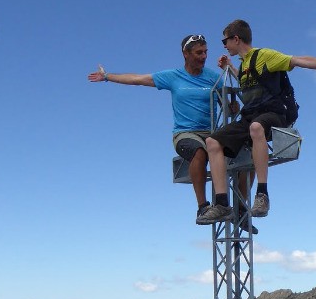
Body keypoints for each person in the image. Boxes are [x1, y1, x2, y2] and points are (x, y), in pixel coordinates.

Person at [198, 18, 316, 224]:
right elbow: (246, 80)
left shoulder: (265, 55)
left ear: (236, 39)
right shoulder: (245, 63)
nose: (224, 45)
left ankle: (262, 195)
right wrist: (230, 66)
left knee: (256, 128)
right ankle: (222, 204)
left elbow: (300, 60)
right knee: (213, 142)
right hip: (251, 115)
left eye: (225, 41)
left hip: (274, 113)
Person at [88, 34, 222, 223]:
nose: (203, 56)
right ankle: (203, 208)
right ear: (185, 53)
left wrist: (233, 106)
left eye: (206, 52)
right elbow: (137, 79)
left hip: (212, 133)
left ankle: (239, 210)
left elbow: (230, 98)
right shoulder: (173, 77)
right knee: (199, 152)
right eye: (199, 52)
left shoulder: (214, 78)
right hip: (185, 133)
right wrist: (107, 76)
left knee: (241, 152)